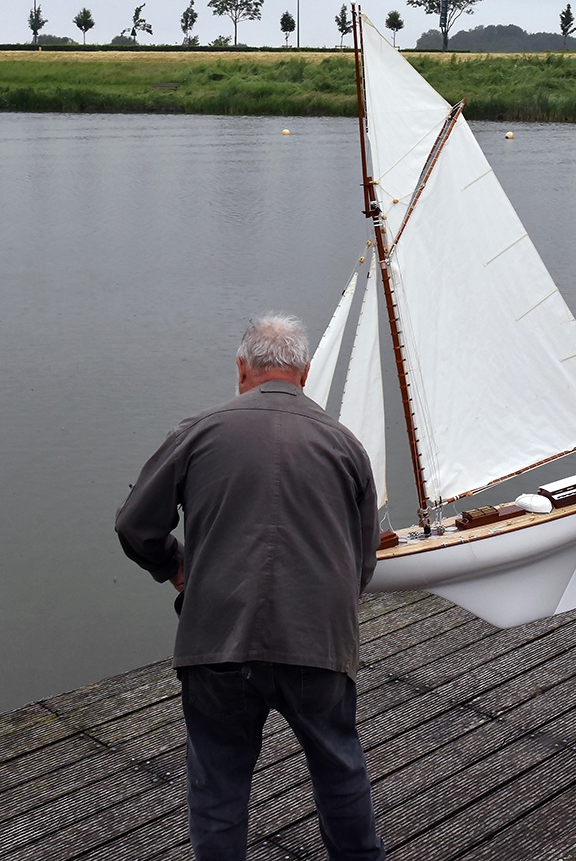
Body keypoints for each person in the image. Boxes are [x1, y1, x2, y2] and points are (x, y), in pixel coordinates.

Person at [115, 313, 385, 861]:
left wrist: (177, 567)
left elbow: (135, 525)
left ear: (241, 367)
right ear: (305, 374)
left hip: (217, 639)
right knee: (339, 771)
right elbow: (363, 560)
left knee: (219, 786)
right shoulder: (345, 445)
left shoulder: (197, 432)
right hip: (318, 643)